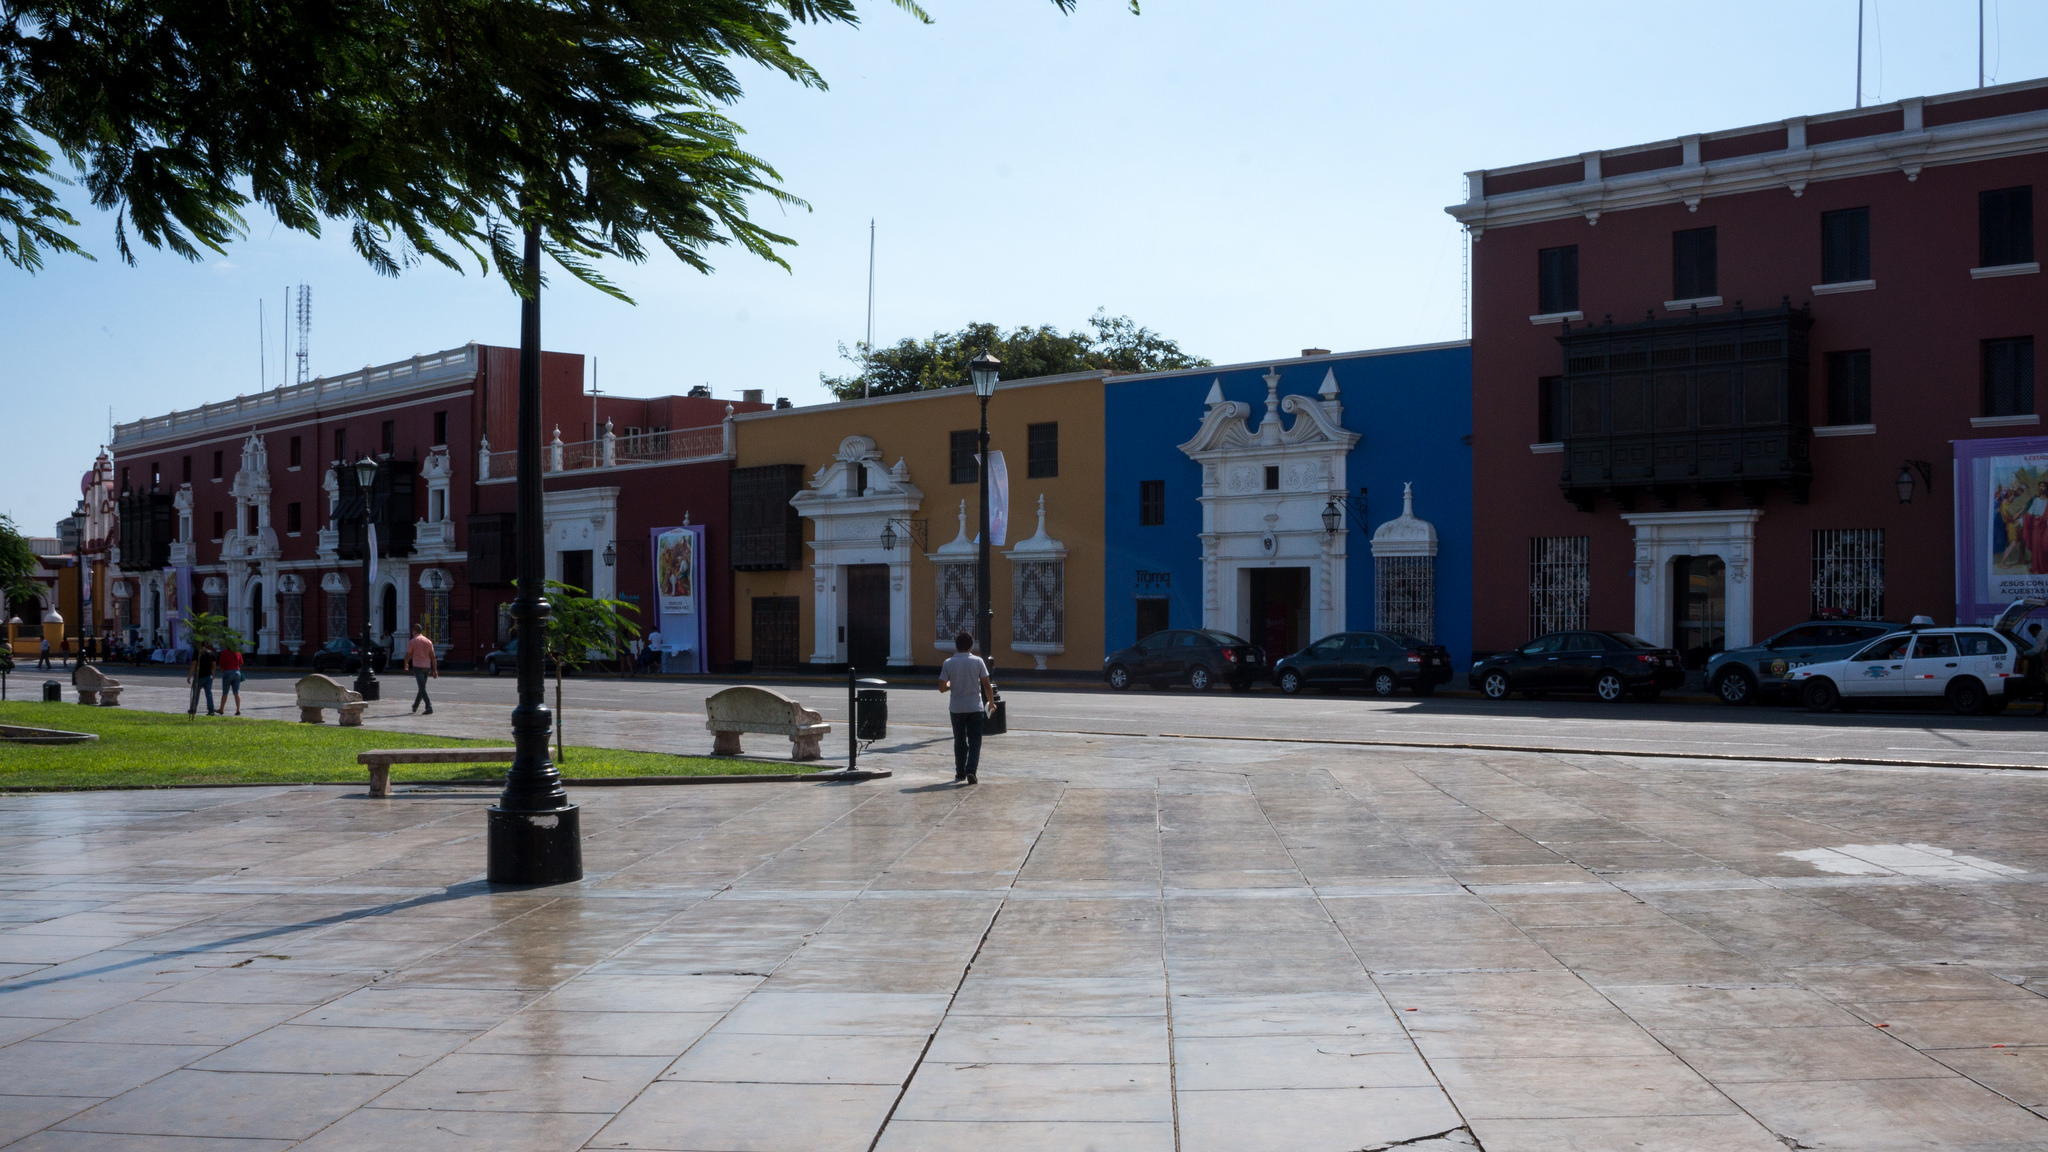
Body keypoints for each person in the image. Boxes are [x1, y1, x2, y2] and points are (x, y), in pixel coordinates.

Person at [937, 631, 994, 785]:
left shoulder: (948, 662)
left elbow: (942, 687)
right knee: (975, 740)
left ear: (956, 646)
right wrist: (992, 702)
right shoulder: (978, 661)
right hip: (975, 707)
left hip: (956, 708)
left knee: (959, 740)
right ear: (971, 646)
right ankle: (971, 770)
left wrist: (951, 685)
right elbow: (987, 685)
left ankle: (960, 772)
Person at [405, 623, 438, 714]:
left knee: (422, 688)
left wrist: (406, 664)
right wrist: (435, 670)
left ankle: (429, 706)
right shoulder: (428, 641)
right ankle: (415, 705)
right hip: (427, 667)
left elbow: (408, 654)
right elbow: (433, 657)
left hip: (418, 666)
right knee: (422, 687)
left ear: (414, 631)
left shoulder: (413, 641)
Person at [186, 642, 217, 716]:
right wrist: (213, 673)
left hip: (199, 676)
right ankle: (211, 710)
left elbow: (194, 663)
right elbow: (214, 664)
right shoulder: (211, 653)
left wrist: (189, 675)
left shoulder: (197, 652)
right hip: (208, 676)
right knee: (209, 694)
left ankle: (193, 709)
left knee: (196, 694)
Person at [217, 643, 245, 716]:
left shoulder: (224, 652)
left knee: (225, 692)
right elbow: (241, 663)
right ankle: (238, 709)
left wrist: (223, 671)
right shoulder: (238, 652)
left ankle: (221, 709)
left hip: (228, 672)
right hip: (237, 672)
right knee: (236, 692)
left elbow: (221, 664)